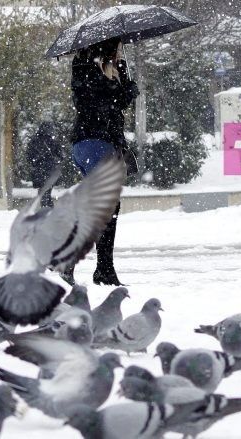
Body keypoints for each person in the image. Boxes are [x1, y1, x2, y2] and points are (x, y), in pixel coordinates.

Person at [65, 37, 139, 286]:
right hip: (94, 142)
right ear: (106, 48)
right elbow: (94, 105)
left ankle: (102, 268)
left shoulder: (101, 68)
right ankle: (79, 261)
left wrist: (125, 87)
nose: (120, 53)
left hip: (96, 143)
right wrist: (121, 91)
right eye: (117, 48)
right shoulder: (86, 67)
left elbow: (112, 105)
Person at [25, 121, 62, 208]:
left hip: (38, 170)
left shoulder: (34, 141)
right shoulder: (52, 141)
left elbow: (29, 156)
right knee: (47, 192)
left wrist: (36, 161)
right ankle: (48, 211)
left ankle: (46, 210)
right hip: (50, 170)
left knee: (43, 192)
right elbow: (61, 155)